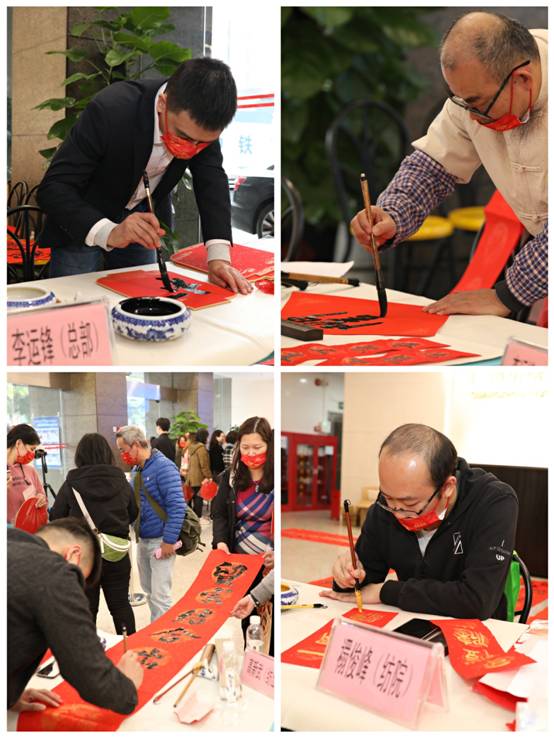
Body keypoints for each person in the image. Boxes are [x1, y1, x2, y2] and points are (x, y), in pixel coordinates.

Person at [350, 12, 547, 317]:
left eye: (478, 104)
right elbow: (432, 166)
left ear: (523, 79)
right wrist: (393, 214)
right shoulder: (479, 91)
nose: (472, 117)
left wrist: (506, 295)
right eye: (462, 102)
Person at [37, 57, 252, 295]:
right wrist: (109, 232)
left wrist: (219, 258)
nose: (191, 148)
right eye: (182, 136)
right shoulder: (111, 110)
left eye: (201, 143)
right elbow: (54, 188)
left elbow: (211, 181)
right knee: (75, 302)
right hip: (84, 216)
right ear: (162, 103)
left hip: (141, 218)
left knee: (143, 297)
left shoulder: (200, 128)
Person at [325, 423, 518, 620]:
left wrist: (387, 592)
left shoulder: (493, 502)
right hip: (409, 620)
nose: (398, 514)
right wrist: (347, 576)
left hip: (479, 628)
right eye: (388, 497)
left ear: (447, 487)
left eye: (410, 503)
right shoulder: (387, 508)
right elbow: (361, 590)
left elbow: (477, 600)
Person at [8, 518, 143, 714]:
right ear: (73, 556)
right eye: (78, 580)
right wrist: (126, 686)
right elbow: (90, 676)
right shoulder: (55, 571)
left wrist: (9, 694)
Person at [49, 433, 137, 635]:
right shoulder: (121, 480)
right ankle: (130, 646)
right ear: (107, 453)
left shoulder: (72, 482)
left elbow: (56, 517)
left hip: (84, 556)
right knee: (120, 606)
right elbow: (133, 512)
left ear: (80, 455)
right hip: (116, 553)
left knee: (87, 610)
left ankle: (87, 651)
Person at [212, 416, 274, 646]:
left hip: (268, 564)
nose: (250, 453)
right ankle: (252, 654)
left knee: (271, 620)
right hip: (241, 563)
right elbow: (219, 514)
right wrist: (220, 542)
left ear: (269, 446)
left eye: (257, 447)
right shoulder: (232, 477)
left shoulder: (277, 479)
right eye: (245, 447)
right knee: (247, 616)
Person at [115, 426, 185, 622]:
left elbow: (177, 506)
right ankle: (157, 630)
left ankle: (163, 636)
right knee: (149, 592)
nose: (122, 455)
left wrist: (169, 541)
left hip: (161, 540)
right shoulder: (138, 469)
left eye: (123, 450)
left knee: (161, 596)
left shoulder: (164, 467)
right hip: (143, 540)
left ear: (136, 444)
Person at [7, 424, 47, 525]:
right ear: (19, 443)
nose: (32, 454)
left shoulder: (30, 470)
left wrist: (41, 499)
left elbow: (42, 496)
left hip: (30, 528)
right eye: (31, 449)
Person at [186, 429, 212, 518]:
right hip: (199, 478)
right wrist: (208, 476)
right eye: (207, 437)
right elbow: (204, 465)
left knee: (191, 499)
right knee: (198, 499)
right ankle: (197, 519)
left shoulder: (191, 447)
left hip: (190, 478)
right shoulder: (201, 448)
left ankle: (191, 518)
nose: (208, 439)